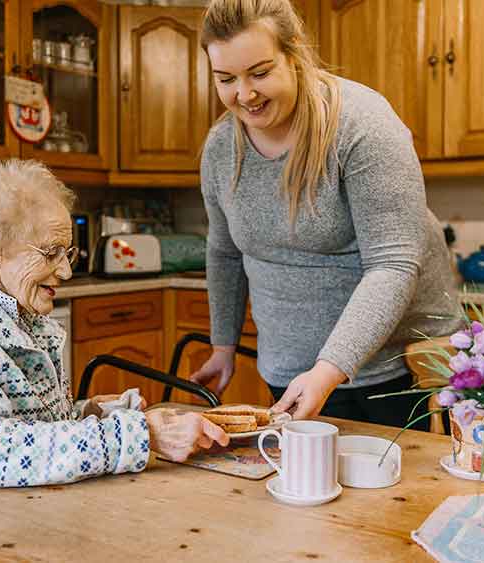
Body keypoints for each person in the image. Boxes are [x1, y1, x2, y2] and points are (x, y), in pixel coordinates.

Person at [190, 0, 461, 429]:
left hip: (392, 371)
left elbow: (392, 264)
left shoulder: (362, 124)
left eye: (260, 73)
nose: (244, 95)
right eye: (226, 79)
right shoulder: (221, 148)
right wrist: (223, 346)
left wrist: (328, 369)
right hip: (289, 371)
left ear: (294, 52)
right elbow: (224, 252)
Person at [0, 159, 228, 507]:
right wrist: (142, 434)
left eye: (67, 253)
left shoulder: (21, 315)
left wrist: (89, 413)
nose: (65, 271)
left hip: (37, 511)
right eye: (50, 253)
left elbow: (31, 428)